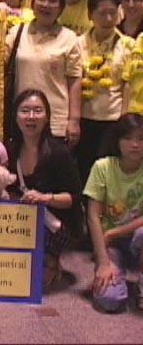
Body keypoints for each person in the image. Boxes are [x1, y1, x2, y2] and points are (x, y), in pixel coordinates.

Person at [7, 89, 83, 289]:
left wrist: (45, 198)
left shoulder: (59, 152)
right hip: (25, 217)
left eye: (37, 111)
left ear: (47, 116)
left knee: (35, 280)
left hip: (58, 223)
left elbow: (74, 198)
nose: (31, 117)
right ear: (15, 116)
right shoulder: (11, 149)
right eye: (25, 111)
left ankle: (50, 259)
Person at [5, 0, 82, 145]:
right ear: (33, 2)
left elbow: (74, 80)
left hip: (56, 121)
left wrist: (74, 120)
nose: (46, 5)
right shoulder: (16, 33)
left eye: (53, 0)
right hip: (22, 119)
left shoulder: (69, 38)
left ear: (61, 7)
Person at [84, 113, 143, 312]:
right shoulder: (103, 167)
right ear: (117, 140)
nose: (135, 144)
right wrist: (102, 262)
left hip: (136, 238)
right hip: (110, 243)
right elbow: (92, 216)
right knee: (110, 300)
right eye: (128, 138)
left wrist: (114, 232)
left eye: (141, 139)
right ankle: (115, 274)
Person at [77, 0, 133, 184]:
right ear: (90, 15)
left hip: (113, 120)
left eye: (112, 12)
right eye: (102, 13)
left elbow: (127, 86)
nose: (108, 19)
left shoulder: (127, 45)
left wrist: (124, 122)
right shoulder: (78, 43)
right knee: (84, 169)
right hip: (83, 119)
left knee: (107, 174)